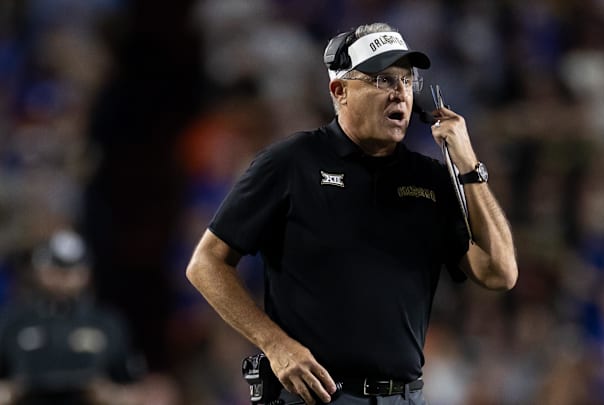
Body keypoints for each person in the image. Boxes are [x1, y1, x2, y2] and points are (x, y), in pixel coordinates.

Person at [186, 22, 518, 405]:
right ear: (339, 91)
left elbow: (500, 273)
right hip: (316, 396)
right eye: (382, 80)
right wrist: (275, 345)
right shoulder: (291, 163)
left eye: (407, 80)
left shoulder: (429, 179)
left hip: (403, 397)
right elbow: (206, 264)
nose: (400, 93)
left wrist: (469, 165)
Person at [0, 229, 148, 405]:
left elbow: (134, 388)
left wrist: (110, 394)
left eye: (71, 269)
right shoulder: (12, 321)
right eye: (55, 267)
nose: (63, 277)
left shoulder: (107, 323)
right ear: (37, 269)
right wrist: (11, 391)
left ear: (86, 272)